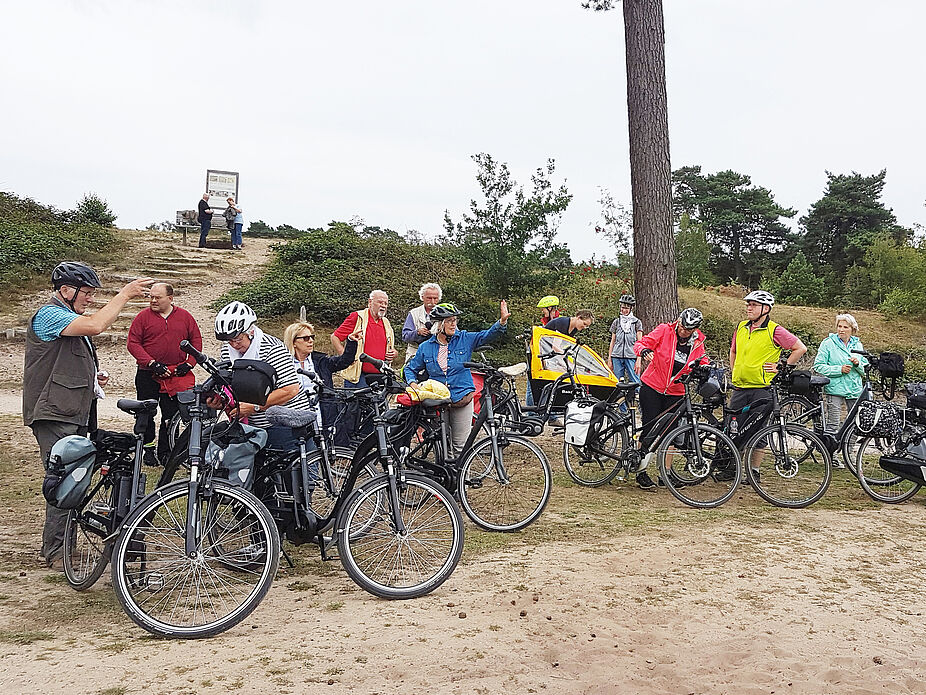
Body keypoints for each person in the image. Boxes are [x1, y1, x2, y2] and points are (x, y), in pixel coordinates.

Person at [23, 262, 153, 569]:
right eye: (87, 292)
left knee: (73, 478)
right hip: (55, 413)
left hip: (70, 410)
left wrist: (93, 376)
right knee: (65, 479)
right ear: (66, 290)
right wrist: (125, 294)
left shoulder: (67, 317)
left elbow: (64, 358)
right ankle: (56, 552)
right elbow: (96, 325)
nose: (90, 299)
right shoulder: (50, 313)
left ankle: (60, 548)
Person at [405, 301, 510, 454]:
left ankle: (461, 477)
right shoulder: (425, 347)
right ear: (439, 324)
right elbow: (410, 369)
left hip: (462, 397)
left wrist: (502, 322)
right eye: (449, 321)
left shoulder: (465, 339)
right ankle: (444, 476)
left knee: (460, 446)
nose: (454, 324)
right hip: (438, 402)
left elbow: (487, 335)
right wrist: (413, 384)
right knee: (442, 445)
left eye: (455, 320)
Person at [212, 301, 313, 451]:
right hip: (254, 426)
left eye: (238, 339)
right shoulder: (228, 350)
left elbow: (290, 389)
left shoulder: (272, 348)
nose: (233, 345)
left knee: (293, 472)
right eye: (229, 340)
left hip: (286, 422)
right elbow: (231, 384)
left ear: (250, 332)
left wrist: (255, 407)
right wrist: (219, 401)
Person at [729, 290, 807, 479]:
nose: (749, 307)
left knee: (760, 431)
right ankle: (731, 468)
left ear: (765, 309)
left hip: (761, 388)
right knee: (734, 430)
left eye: (753, 305)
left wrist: (782, 366)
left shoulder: (774, 330)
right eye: (748, 304)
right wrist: (734, 371)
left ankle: (753, 471)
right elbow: (733, 351)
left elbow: (800, 348)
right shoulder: (741, 327)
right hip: (740, 387)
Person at [126, 282, 203, 466]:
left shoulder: (185, 317)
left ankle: (167, 451)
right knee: (146, 413)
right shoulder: (142, 317)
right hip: (148, 373)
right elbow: (133, 343)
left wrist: (189, 363)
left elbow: (196, 340)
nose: (153, 300)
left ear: (170, 298)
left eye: (157, 297)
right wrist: (151, 362)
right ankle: (147, 449)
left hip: (175, 374)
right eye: (151, 297)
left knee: (171, 415)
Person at [632, 308, 709, 490]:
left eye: (688, 330)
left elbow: (703, 361)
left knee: (671, 433)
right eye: (682, 327)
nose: (683, 331)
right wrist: (644, 352)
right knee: (649, 426)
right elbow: (640, 343)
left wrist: (705, 369)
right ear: (678, 321)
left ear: (695, 329)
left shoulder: (698, 342)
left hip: (676, 391)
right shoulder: (665, 330)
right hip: (652, 386)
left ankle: (665, 473)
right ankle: (640, 470)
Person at [283, 321, 361, 443]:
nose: (311, 341)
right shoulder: (283, 364)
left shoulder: (320, 361)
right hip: (296, 417)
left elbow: (344, 361)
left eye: (312, 337)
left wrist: (351, 342)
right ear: (294, 342)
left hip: (323, 416)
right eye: (305, 338)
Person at [813, 314, 868, 449]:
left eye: (845, 327)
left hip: (854, 389)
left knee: (856, 423)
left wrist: (857, 364)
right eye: (839, 326)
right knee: (833, 424)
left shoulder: (858, 344)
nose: (841, 329)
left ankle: (847, 452)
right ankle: (830, 455)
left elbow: (865, 370)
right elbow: (819, 366)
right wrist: (839, 369)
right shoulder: (828, 343)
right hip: (834, 388)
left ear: (852, 329)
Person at [330, 290, 397, 388]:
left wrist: (394, 353)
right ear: (370, 302)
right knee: (355, 403)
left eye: (385, 303)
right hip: (358, 376)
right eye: (380, 302)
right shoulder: (357, 317)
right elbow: (335, 337)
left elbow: (390, 347)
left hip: (380, 376)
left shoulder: (386, 323)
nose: (383, 306)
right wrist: (345, 355)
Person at [402, 282, 442, 363]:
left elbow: (455, 334)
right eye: (429, 298)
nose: (432, 301)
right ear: (422, 297)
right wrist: (417, 333)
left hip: (438, 354)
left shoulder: (445, 313)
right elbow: (405, 336)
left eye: (435, 298)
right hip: (415, 354)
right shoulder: (414, 313)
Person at [608, 294, 643, 384]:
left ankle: (636, 397)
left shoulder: (636, 322)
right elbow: (613, 341)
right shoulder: (617, 322)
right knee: (616, 382)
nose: (624, 310)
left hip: (631, 356)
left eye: (626, 308)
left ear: (631, 309)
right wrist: (610, 359)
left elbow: (640, 342)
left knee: (635, 381)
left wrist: (639, 360)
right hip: (617, 356)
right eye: (622, 308)